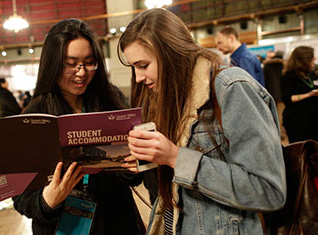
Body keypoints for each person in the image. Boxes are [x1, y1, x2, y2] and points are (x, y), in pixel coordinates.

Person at [119, 8, 286, 234]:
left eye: (143, 66)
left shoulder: (231, 89)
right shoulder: (168, 97)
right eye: (134, 68)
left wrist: (175, 157)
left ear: (170, 53)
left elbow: (268, 190)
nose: (138, 78)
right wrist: (146, 160)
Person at [13, 19, 143, 235]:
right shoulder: (33, 117)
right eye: (70, 64)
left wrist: (133, 165)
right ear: (53, 63)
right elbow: (20, 198)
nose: (81, 72)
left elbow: (131, 174)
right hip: (61, 226)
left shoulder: (111, 99)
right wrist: (47, 200)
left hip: (116, 221)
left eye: (89, 62)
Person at [280, 46, 318, 143]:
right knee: (301, 151)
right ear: (304, 60)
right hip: (297, 121)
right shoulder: (289, 76)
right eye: (312, 57)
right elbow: (287, 98)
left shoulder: (310, 74)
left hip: (313, 119)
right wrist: (308, 95)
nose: (315, 58)